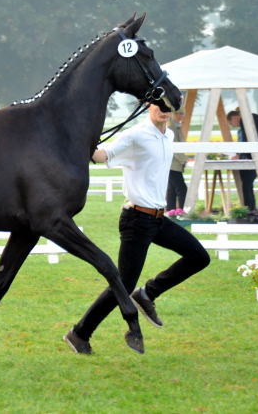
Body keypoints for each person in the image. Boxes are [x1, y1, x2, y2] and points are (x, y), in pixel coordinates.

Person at [63, 103, 211, 354]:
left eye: (168, 106)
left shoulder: (169, 135)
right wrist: (83, 139)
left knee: (199, 257)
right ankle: (79, 334)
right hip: (136, 219)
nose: (163, 109)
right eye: (158, 104)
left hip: (158, 219)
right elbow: (102, 156)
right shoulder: (135, 135)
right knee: (122, 284)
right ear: (148, 105)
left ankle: (148, 294)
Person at [166, 109, 188, 211]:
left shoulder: (176, 127)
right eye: (178, 113)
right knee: (182, 189)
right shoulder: (171, 128)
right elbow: (174, 147)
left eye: (182, 113)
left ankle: (171, 210)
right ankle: (181, 210)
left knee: (172, 189)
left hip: (173, 163)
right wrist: (183, 160)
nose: (181, 115)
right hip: (173, 163)